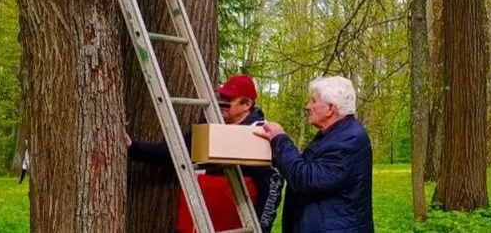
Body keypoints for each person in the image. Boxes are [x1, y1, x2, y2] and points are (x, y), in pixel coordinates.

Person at [125, 74, 282, 233]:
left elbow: (272, 185)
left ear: (246, 104)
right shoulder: (212, 125)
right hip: (197, 222)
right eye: (220, 96)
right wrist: (134, 148)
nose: (221, 103)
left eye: (228, 99)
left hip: (232, 225)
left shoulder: (260, 133)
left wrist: (262, 228)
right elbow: (177, 150)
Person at [257, 76, 374, 233]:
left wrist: (280, 139)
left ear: (330, 108)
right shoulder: (334, 134)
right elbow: (309, 168)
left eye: (313, 101)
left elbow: (305, 180)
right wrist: (279, 154)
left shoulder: (349, 140)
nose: (308, 106)